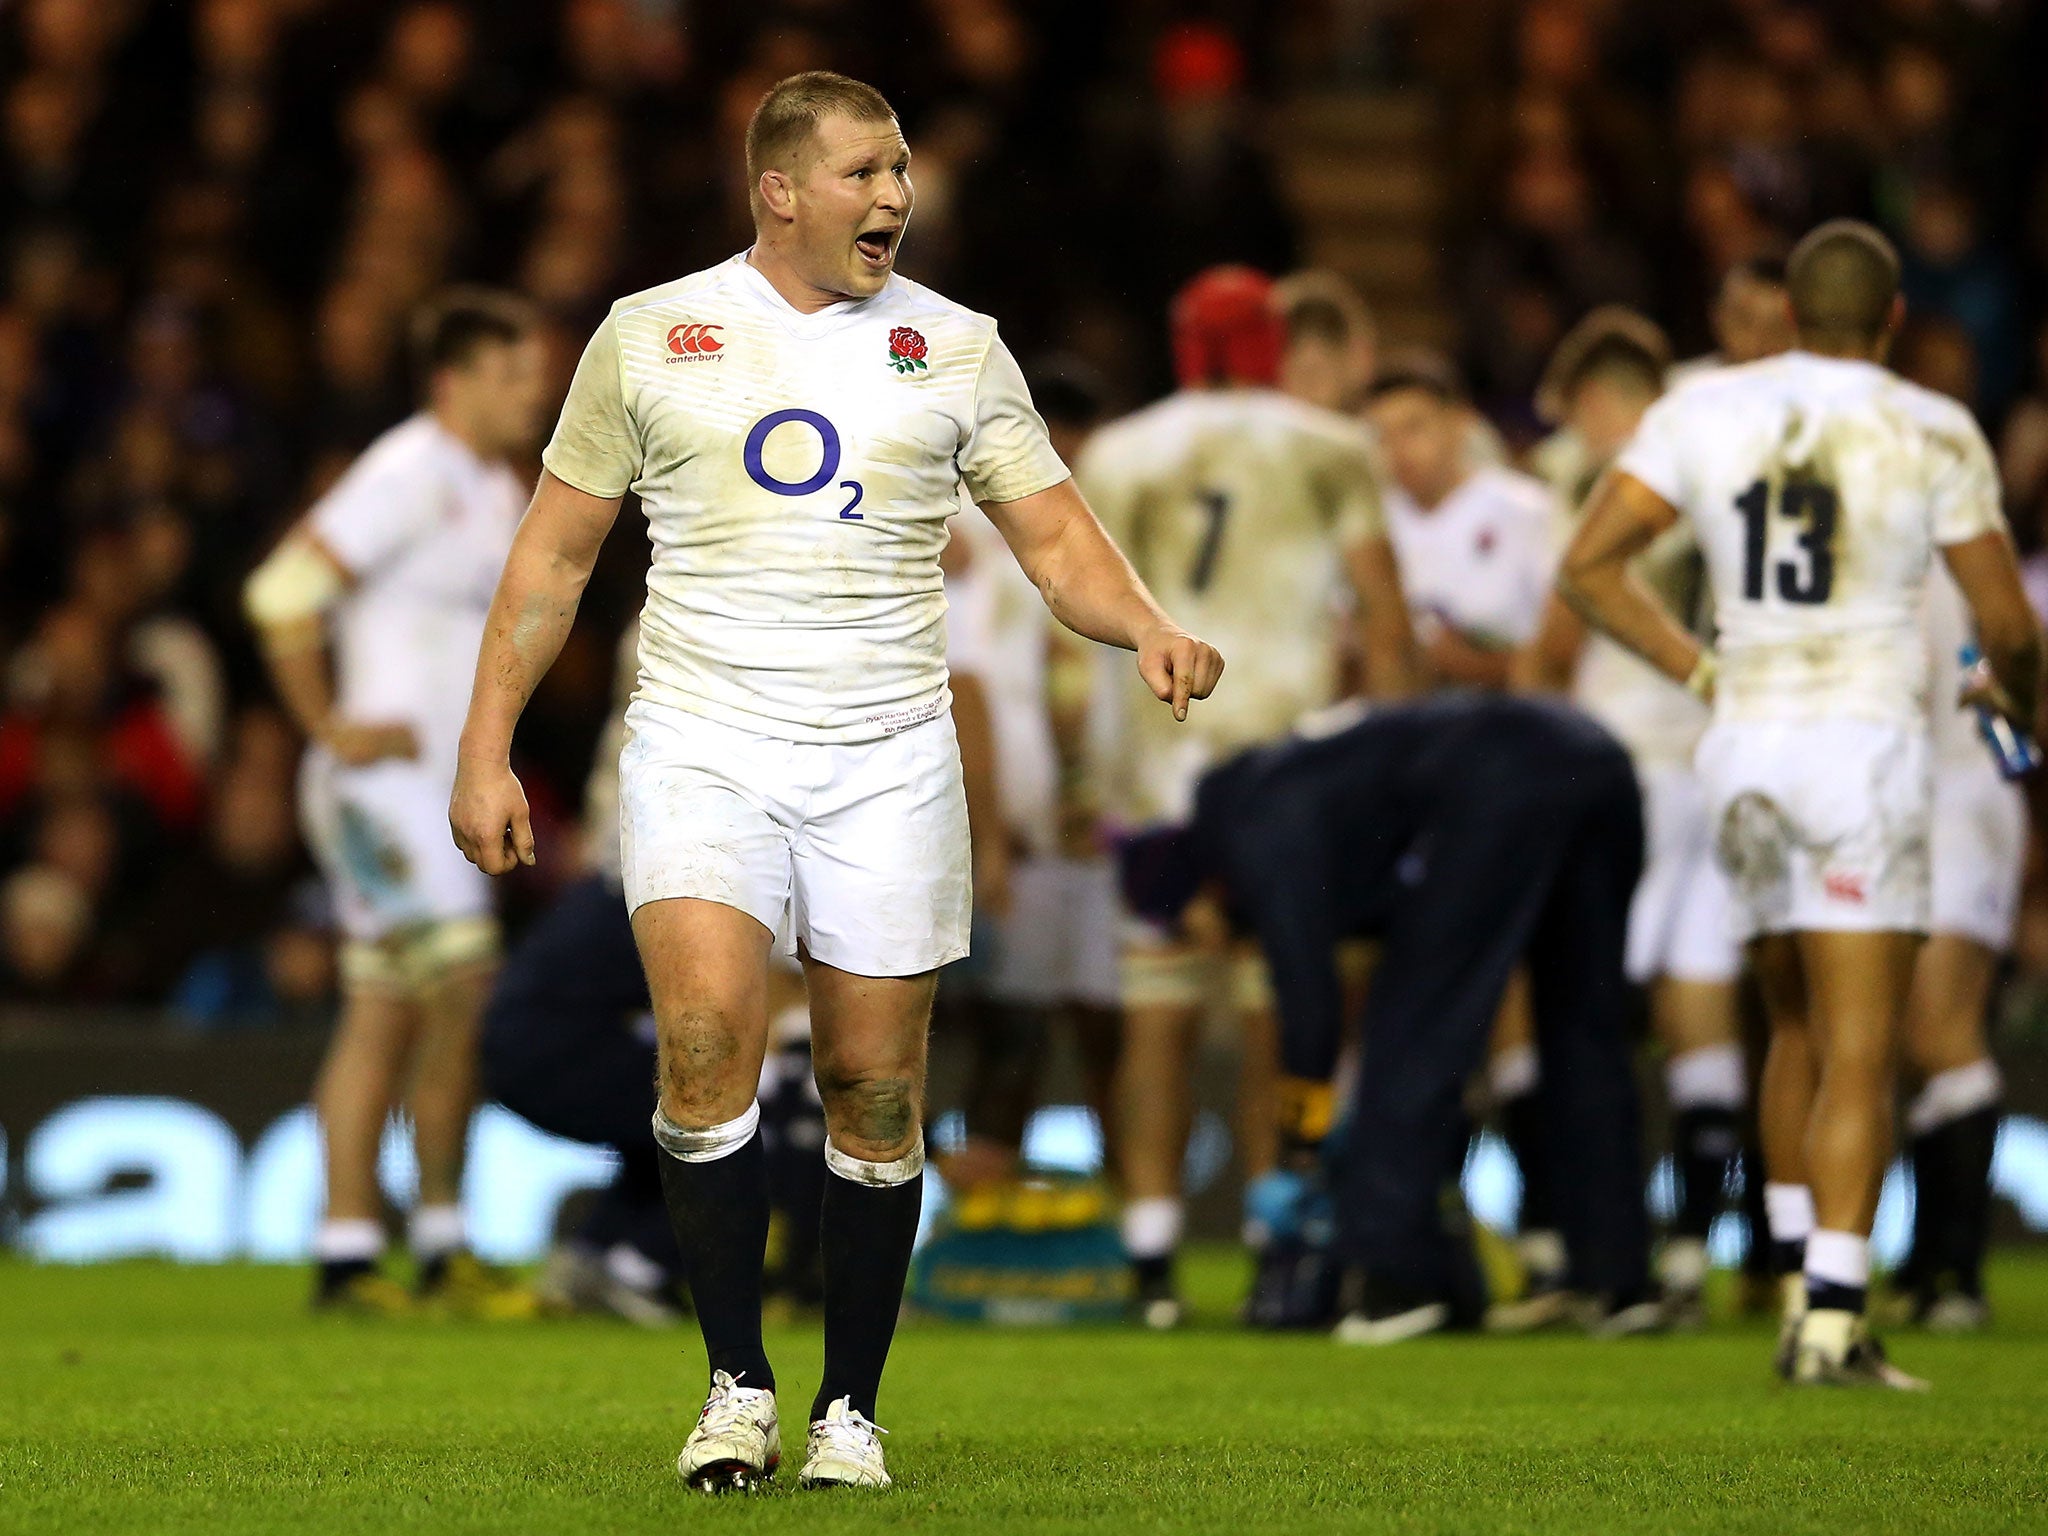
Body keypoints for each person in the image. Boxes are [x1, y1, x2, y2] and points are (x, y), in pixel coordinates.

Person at [446, 72, 1222, 1493]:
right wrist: (485, 744)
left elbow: (1055, 542)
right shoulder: (649, 337)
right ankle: (735, 1384)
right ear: (780, 190)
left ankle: (847, 1410)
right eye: (866, 173)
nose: (896, 198)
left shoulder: (958, 345)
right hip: (702, 738)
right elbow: (554, 561)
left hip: (885, 755)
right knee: (701, 1043)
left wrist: (1147, 626)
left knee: (872, 1090)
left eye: (903, 171)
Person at [1558, 219, 2042, 1388]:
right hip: (1859, 744)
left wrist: (1698, 669)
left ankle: (1789, 1283)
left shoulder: (1701, 412)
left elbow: (1584, 567)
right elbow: (2007, 621)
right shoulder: (1925, 425)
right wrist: (2009, 693)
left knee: (1787, 1026)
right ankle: (1830, 1319)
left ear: (1786, 316)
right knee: (1860, 1048)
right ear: (1889, 321)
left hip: (1744, 740)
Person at [1077, 264, 1412, 1328]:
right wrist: (1399, 766)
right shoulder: (1327, 445)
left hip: (1157, 762)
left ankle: (1151, 1261)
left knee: (1159, 1017)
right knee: (1282, 1016)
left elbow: (1079, 617)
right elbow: (1384, 613)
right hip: (1286, 765)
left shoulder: (1123, 450)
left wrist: (1090, 767)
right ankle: (1279, 1244)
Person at [1124, 692, 1656, 1341]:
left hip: (1501, 771)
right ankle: (1618, 1276)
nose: (1205, 944)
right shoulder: (1276, 787)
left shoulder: (1248, 828)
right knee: (1583, 1021)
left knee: (1411, 1027)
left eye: (1186, 926)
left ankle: (1397, 1279)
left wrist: (1300, 1143)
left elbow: (1310, 1009)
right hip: (1593, 755)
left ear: (1196, 888)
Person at [244, 287, 548, 1317]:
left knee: (382, 1006)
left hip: (429, 788)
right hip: (379, 788)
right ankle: (443, 1239)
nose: (533, 394)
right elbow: (282, 593)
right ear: (452, 381)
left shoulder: (496, 486)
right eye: (512, 376)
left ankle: (344, 1253)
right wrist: (329, 725)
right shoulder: (410, 469)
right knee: (464, 983)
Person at [1520, 308, 1746, 1325]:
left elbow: (1561, 630)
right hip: (1726, 751)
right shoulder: (1733, 460)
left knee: (1590, 1003)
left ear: (1604, 402)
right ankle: (1695, 1252)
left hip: (1628, 767)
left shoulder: (1613, 479)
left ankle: (1589, 1250)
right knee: (1699, 997)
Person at [1886, 561, 2026, 1331]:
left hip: (1959, 794)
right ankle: (1926, 1260)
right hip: (1924, 795)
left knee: (1941, 1031)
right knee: (1911, 1040)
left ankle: (1961, 1272)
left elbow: (1928, 673)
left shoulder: (1923, 553)